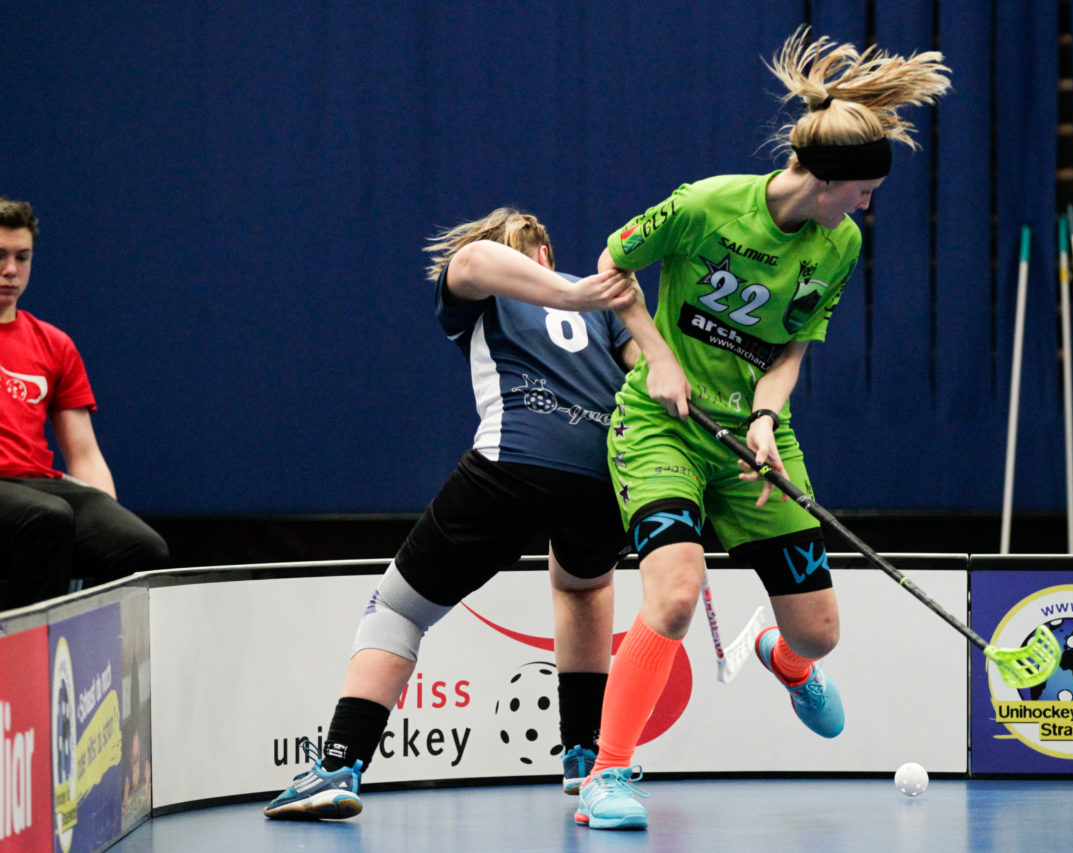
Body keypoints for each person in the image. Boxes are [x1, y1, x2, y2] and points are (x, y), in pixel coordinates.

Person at [574, 28, 951, 830]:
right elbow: (613, 263)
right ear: (823, 179)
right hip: (661, 425)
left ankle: (783, 661)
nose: (867, 206)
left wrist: (766, 417)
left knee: (819, 633)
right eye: (864, 191)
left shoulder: (838, 243)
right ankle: (608, 773)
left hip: (747, 439)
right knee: (673, 596)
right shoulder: (707, 206)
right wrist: (656, 354)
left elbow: (791, 347)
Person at [265, 208, 640, 820]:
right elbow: (647, 374)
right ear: (547, 255)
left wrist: (569, 289)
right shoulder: (599, 307)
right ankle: (584, 756)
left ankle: (337, 765)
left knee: (397, 609)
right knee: (584, 585)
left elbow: (468, 262)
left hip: (513, 466)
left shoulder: (496, 290)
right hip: (604, 480)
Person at [0, 198, 169, 610]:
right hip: (28, 506)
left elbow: (85, 454)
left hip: (35, 488)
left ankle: (86, 661)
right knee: (48, 518)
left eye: (23, 257)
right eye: (0, 256)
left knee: (141, 548)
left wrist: (108, 520)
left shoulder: (54, 344)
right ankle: (20, 660)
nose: (11, 270)